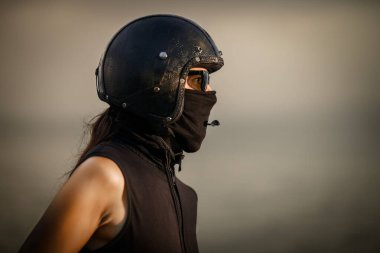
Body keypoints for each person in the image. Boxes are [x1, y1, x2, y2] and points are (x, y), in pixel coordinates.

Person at [18, 14, 224, 253]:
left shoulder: (187, 198)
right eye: (199, 79)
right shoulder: (105, 175)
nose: (210, 92)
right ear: (157, 85)